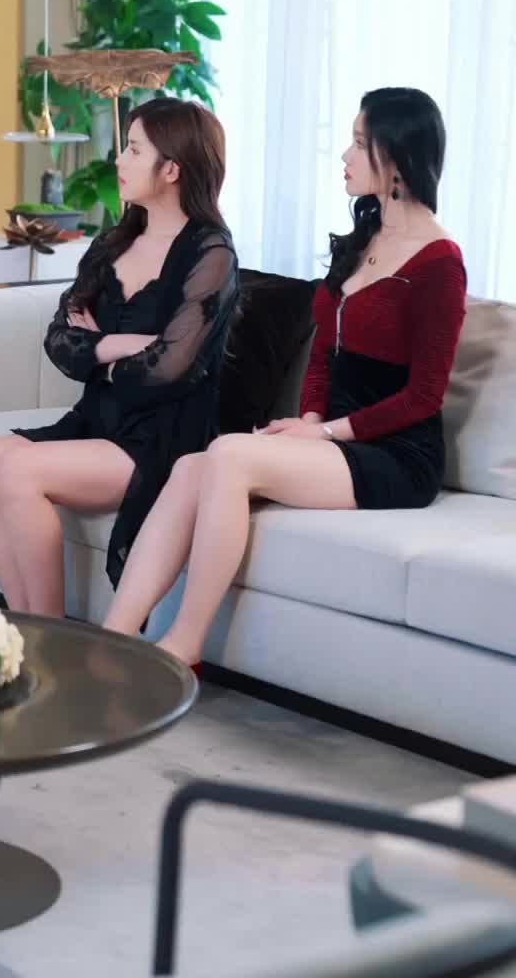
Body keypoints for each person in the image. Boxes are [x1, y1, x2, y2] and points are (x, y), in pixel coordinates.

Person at [105, 86, 467, 664]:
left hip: (396, 454)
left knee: (227, 454)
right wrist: (312, 418)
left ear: (396, 157)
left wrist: (323, 433)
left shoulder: (440, 262)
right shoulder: (365, 238)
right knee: (192, 466)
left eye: (358, 144)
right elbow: (323, 353)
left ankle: (183, 647)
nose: (344, 156)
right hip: (331, 439)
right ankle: (114, 641)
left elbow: (424, 396)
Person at [0, 98, 239, 617]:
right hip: (97, 419)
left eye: (134, 150)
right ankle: (24, 629)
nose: (119, 159)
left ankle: (50, 635)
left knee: (18, 470)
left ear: (172, 169)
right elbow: (59, 340)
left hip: (161, 438)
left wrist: (100, 356)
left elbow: (169, 368)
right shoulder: (114, 241)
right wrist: (118, 346)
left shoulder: (211, 253)